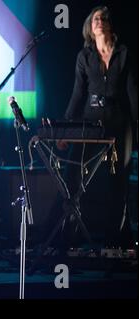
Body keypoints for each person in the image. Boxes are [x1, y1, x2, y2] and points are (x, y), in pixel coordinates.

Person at [57, 6, 137, 248]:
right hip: (89, 122)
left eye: (103, 19)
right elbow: (77, 94)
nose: (99, 22)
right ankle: (70, 234)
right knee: (74, 175)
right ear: (90, 28)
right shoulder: (85, 56)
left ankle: (116, 239)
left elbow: (133, 92)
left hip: (119, 122)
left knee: (118, 180)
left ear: (110, 25)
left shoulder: (124, 53)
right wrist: (65, 129)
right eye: (95, 20)